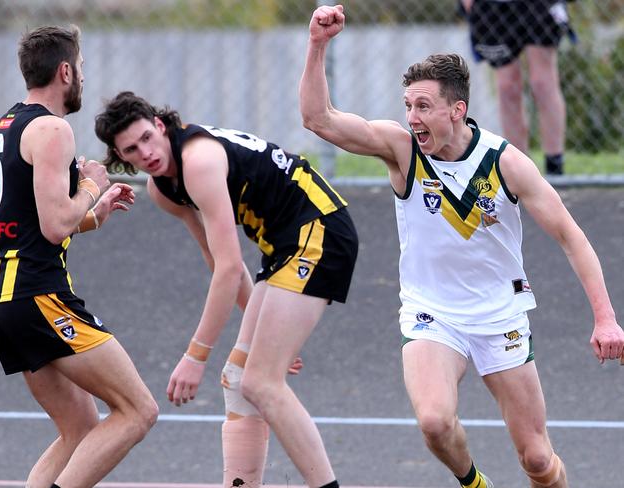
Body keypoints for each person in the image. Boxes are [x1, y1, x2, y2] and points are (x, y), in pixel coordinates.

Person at [300, 5, 624, 488]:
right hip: (433, 312)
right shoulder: (402, 149)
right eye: (408, 105)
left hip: (501, 316)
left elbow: (569, 235)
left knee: (537, 460)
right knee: (434, 422)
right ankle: (474, 483)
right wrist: (317, 45)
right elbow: (318, 119)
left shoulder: (505, 163)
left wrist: (605, 317)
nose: (412, 117)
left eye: (423, 106)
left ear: (458, 110)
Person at [94, 91, 358, 488]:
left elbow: (232, 266)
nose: (145, 152)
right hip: (285, 245)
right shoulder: (162, 188)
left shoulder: (197, 160)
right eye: (131, 149)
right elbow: (219, 262)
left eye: (147, 137)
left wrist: (195, 356)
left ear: (161, 126)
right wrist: (274, 330)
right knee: (239, 378)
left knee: (261, 382)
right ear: (120, 157)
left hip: (318, 229)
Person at [0, 25, 158, 488]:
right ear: (65, 71)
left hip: (7, 302)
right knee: (139, 409)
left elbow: (12, 227)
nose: (82, 76)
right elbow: (54, 224)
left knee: (79, 429)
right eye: (80, 68)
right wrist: (90, 185)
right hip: (41, 295)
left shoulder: (4, 130)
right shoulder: (53, 129)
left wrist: (94, 213)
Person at [459, 0, 575, 175]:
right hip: (494, 6)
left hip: (539, 5)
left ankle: (555, 167)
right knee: (507, 87)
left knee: (542, 83)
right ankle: (519, 171)